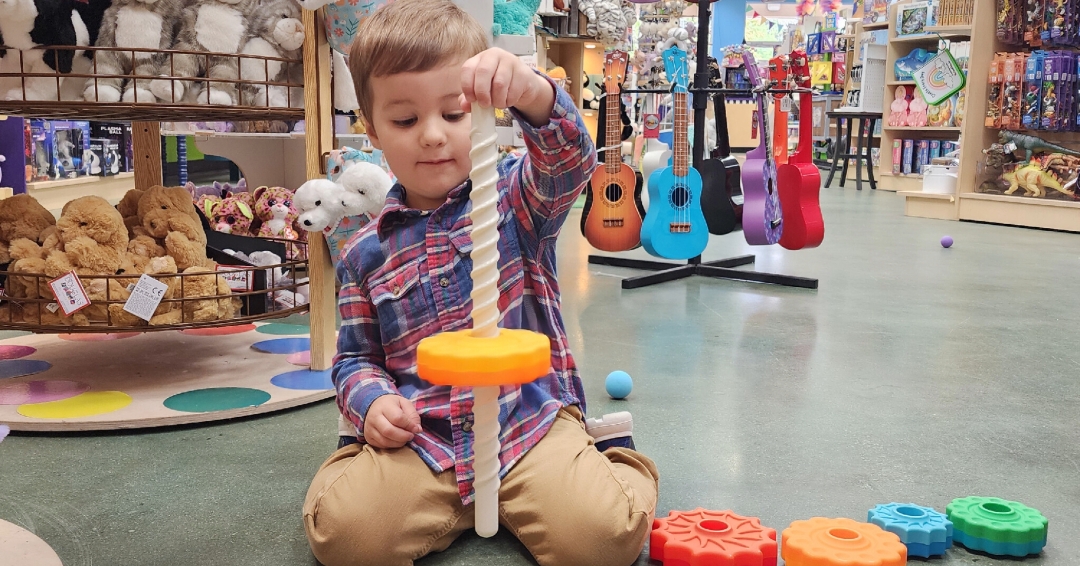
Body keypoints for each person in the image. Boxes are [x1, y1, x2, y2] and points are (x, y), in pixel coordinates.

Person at [303, 1, 659, 565]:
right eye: (404, 121)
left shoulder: (517, 199)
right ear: (371, 130)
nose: (432, 136)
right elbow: (355, 359)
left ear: (485, 113)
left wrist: (533, 93)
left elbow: (569, 163)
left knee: (601, 538)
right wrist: (372, 403)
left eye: (454, 114)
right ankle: (355, 457)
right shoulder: (362, 255)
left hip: (528, 424)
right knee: (345, 537)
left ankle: (610, 451)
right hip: (424, 438)